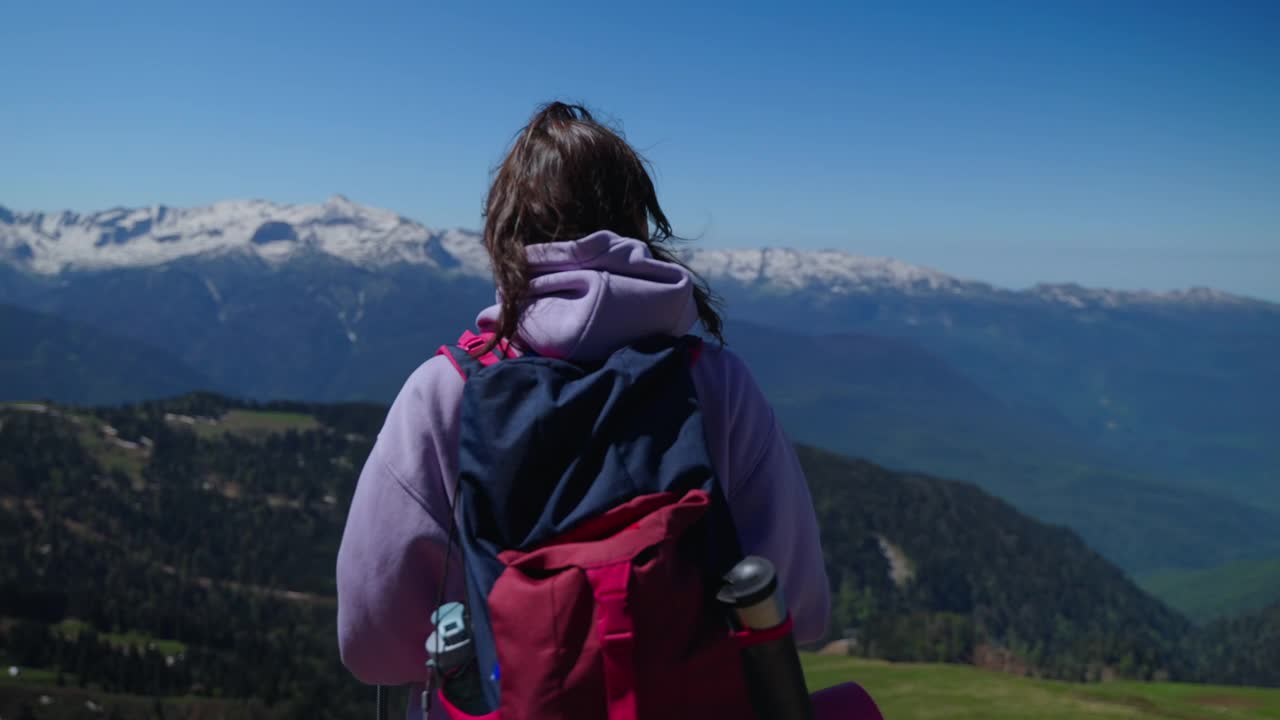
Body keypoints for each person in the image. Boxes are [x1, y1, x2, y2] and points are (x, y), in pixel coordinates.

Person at [335, 101, 831, 716]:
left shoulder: (443, 392)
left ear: (505, 234)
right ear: (637, 223)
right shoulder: (717, 385)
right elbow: (797, 607)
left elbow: (373, 641)